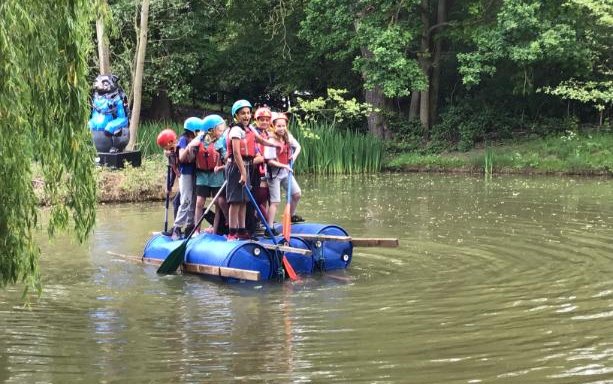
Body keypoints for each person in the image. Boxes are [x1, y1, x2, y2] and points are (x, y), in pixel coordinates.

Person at [225, 100, 281, 241]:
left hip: (247, 166)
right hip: (237, 168)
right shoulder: (236, 130)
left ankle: (242, 230)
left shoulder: (249, 128)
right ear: (236, 115)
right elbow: (237, 153)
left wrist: (274, 145)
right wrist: (243, 173)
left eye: (248, 113)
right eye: (243, 113)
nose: (246, 116)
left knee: (244, 200)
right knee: (235, 201)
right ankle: (232, 232)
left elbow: (260, 140)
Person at [264, 112, 303, 229]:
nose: (281, 128)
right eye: (279, 126)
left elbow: (298, 147)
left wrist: (293, 157)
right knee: (275, 202)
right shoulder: (271, 141)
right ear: (273, 126)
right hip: (274, 175)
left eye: (283, 126)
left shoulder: (287, 136)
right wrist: (284, 165)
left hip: (285, 172)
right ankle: (269, 228)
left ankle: (289, 218)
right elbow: (269, 161)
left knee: (296, 194)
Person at [189, 114, 227, 235]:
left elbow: (226, 159)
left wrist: (223, 164)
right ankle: (197, 231)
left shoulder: (221, 141)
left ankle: (219, 230)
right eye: (219, 129)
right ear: (211, 130)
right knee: (199, 202)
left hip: (217, 176)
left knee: (218, 203)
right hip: (202, 175)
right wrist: (191, 147)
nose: (221, 132)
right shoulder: (199, 140)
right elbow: (190, 157)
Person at [168, 117, 202, 239]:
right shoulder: (184, 140)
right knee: (186, 200)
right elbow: (182, 157)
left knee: (193, 200)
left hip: (196, 172)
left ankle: (190, 227)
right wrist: (190, 146)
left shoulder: (199, 140)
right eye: (198, 130)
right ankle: (177, 227)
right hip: (186, 173)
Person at [247, 106, 273, 235]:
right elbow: (254, 157)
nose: (264, 122)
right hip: (256, 172)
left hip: (268, 171)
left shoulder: (269, 134)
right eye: (261, 120)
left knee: (265, 198)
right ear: (256, 120)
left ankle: (262, 222)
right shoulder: (252, 134)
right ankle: (266, 222)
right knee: (258, 198)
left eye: (267, 120)